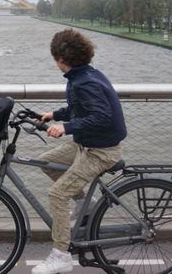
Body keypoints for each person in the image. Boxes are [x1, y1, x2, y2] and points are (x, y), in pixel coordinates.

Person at [31, 29, 127, 274]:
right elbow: (81, 108)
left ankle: (61, 255)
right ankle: (87, 202)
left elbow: (101, 116)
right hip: (86, 142)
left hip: (101, 150)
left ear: (60, 58)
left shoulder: (83, 82)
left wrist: (66, 127)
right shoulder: (84, 75)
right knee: (45, 161)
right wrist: (56, 115)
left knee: (57, 195)